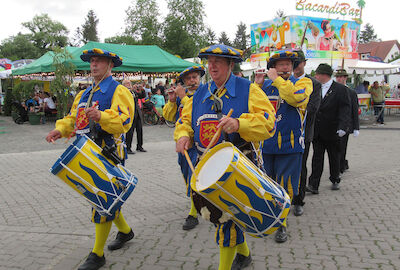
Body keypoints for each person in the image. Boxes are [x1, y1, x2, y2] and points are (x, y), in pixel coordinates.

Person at [175, 44, 276, 270]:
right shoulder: (200, 93)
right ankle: (244, 255)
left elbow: (269, 123)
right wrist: (183, 136)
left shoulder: (248, 89)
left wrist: (240, 124)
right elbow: (185, 122)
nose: (212, 66)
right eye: (209, 61)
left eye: (217, 61)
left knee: (226, 222)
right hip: (207, 168)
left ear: (231, 64)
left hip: (237, 169)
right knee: (223, 219)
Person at [46, 48, 135, 270]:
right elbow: (72, 119)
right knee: (102, 198)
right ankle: (125, 232)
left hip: (108, 151)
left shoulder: (119, 90)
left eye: (99, 61)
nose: (93, 65)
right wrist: (61, 130)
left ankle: (97, 254)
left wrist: (102, 116)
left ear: (110, 65)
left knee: (102, 199)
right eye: (92, 61)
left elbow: (125, 121)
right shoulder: (83, 94)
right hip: (86, 152)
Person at [255, 51, 312, 243]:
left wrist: (276, 81)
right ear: (273, 67)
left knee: (285, 187)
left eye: (288, 64)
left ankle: (282, 225)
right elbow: (253, 108)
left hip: (290, 146)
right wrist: (257, 85)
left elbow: (295, 98)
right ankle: (270, 219)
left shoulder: (303, 83)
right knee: (268, 186)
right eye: (281, 64)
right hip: (267, 146)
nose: (285, 67)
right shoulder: (266, 86)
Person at [163, 65, 205, 230]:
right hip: (184, 144)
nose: (192, 81)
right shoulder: (182, 96)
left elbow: (194, 110)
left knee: (195, 176)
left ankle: (193, 213)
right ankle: (198, 203)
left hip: (200, 143)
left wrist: (184, 98)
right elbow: (168, 116)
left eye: (195, 77)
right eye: (189, 78)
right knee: (187, 174)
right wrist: (173, 101)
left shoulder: (205, 94)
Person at [307, 64, 351, 194]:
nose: (315, 76)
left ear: (324, 75)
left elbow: (345, 109)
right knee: (317, 158)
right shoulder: (315, 87)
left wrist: (343, 126)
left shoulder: (340, 89)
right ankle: (313, 185)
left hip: (333, 130)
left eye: (318, 74)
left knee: (334, 157)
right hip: (318, 130)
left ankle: (335, 178)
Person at [291, 50, 321, 217]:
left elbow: (313, 108)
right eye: (292, 63)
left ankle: (298, 200)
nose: (295, 67)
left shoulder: (313, 84)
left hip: (303, 133)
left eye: (298, 63)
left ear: (304, 63)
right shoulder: (285, 82)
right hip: (283, 134)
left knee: (300, 167)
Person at [335, 69, 360, 173]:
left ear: (345, 78)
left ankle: (340, 166)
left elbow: (354, 110)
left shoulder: (351, 92)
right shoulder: (333, 90)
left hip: (345, 124)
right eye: (338, 77)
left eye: (341, 77)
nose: (339, 79)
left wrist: (356, 127)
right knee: (335, 148)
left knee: (342, 147)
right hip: (333, 123)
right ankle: (339, 164)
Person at [123, 80, 146, 154]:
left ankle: (139, 146)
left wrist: (141, 89)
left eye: (130, 83)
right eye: (127, 83)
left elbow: (142, 96)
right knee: (130, 132)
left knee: (140, 130)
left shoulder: (133, 92)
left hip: (137, 113)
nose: (129, 84)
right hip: (130, 114)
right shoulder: (124, 91)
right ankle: (128, 147)